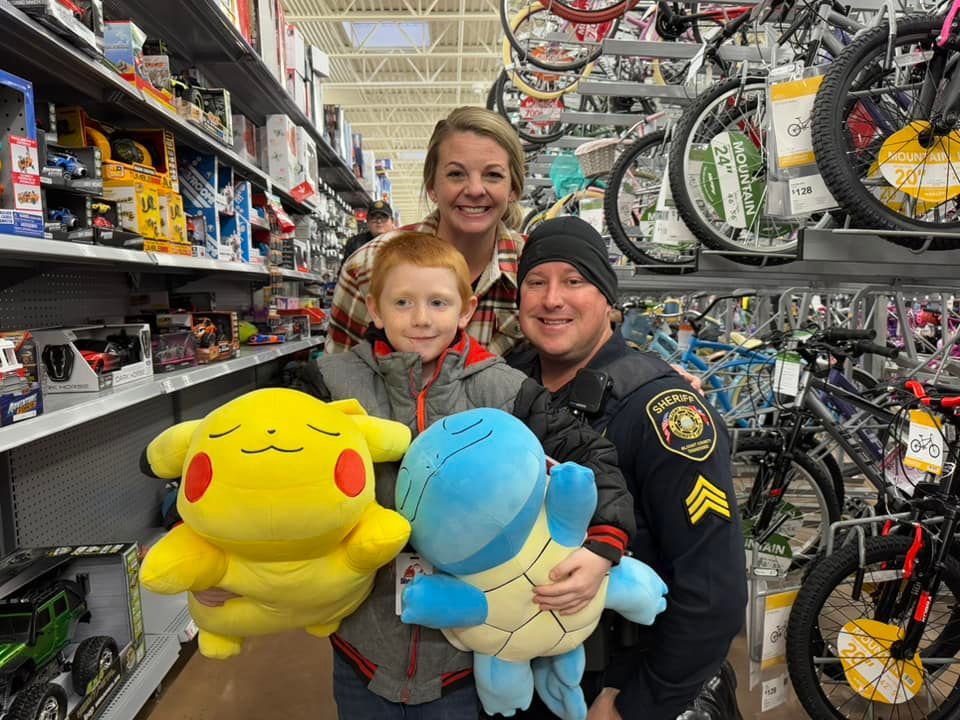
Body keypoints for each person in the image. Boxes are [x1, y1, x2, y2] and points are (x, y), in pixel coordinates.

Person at [293, 231, 640, 718]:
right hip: (361, 646)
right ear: (373, 308)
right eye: (402, 302)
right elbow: (257, 465)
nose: (420, 318)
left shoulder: (503, 389)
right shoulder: (330, 384)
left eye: (438, 302)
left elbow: (589, 452)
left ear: (465, 309)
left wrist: (604, 544)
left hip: (462, 655)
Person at [507, 217, 747, 720]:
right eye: (536, 281)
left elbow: (713, 587)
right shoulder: (503, 385)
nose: (553, 299)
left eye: (575, 281)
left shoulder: (660, 409)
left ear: (610, 302)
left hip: (612, 687)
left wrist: (640, 703)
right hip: (516, 677)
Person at [326, 106, 528, 357]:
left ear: (513, 189)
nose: (475, 189)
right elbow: (338, 378)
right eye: (456, 174)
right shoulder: (369, 266)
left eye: (493, 175)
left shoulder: (535, 270)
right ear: (432, 186)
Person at [340, 199, 395, 267]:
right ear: (368, 222)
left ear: (392, 221)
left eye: (384, 217)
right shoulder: (355, 243)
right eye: (374, 218)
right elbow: (345, 271)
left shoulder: (401, 242)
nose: (379, 221)